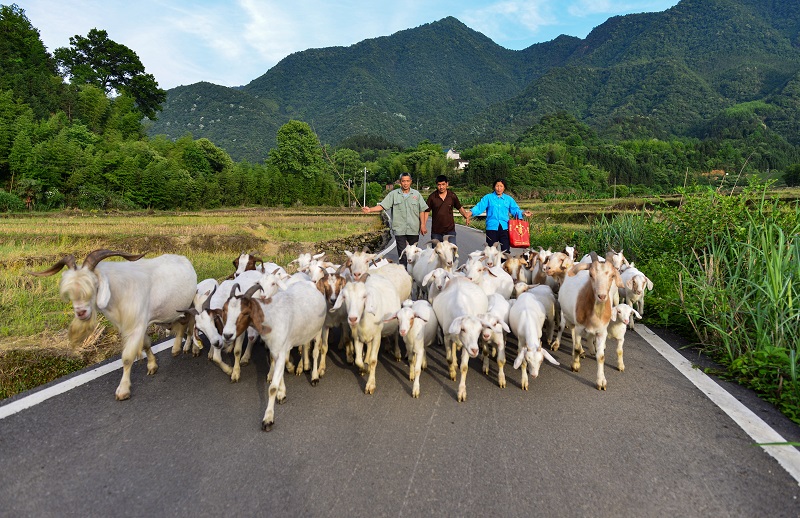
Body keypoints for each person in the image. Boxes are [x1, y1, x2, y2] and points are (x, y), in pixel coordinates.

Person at [362, 172, 428, 267]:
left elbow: (422, 210)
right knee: (402, 253)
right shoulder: (393, 194)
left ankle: (413, 272)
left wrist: (423, 225)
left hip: (413, 228)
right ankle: (404, 273)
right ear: (400, 182)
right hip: (399, 229)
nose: (405, 183)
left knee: (413, 253)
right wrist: (370, 210)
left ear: (411, 182)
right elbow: (382, 206)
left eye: (407, 181)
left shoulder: (416, 195)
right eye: (403, 181)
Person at [468, 178, 532, 253]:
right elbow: (479, 207)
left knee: (505, 252)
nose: (499, 188)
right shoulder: (488, 198)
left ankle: (503, 264)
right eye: (497, 186)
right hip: (492, 228)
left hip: (505, 228)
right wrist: (470, 213)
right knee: (491, 252)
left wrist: (523, 212)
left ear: (504, 187)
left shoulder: (508, 199)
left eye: (501, 186)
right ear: (494, 187)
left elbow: (515, 210)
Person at [425, 174, 471, 245]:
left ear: (447, 184)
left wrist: (466, 216)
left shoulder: (452, 196)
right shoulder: (432, 197)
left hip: (450, 231)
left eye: (443, 184)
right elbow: (426, 212)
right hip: (436, 232)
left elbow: (459, 207)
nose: (441, 187)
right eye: (439, 185)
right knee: (437, 254)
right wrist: (423, 225)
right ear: (436, 185)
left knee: (452, 253)